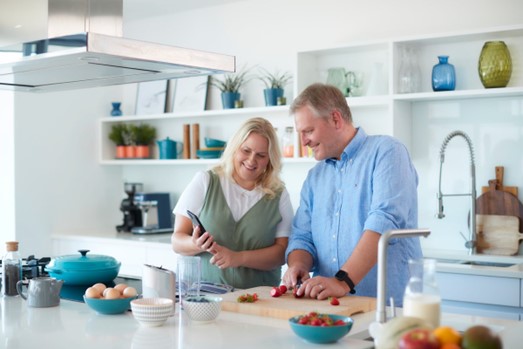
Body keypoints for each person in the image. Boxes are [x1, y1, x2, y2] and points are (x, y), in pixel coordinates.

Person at [282, 83, 421, 306]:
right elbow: (302, 236)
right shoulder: (314, 178)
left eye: (308, 131)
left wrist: (342, 281)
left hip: (389, 307)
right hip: (331, 310)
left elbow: (384, 222)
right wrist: (298, 264)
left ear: (336, 119)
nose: (303, 142)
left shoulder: (387, 152)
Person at [171, 117, 293, 289]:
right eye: (246, 150)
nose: (251, 160)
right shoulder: (205, 181)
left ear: (269, 159)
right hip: (203, 296)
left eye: (261, 155)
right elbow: (177, 241)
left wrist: (238, 258)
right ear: (235, 148)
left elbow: (283, 253)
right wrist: (195, 244)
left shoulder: (279, 195)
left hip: (257, 299)